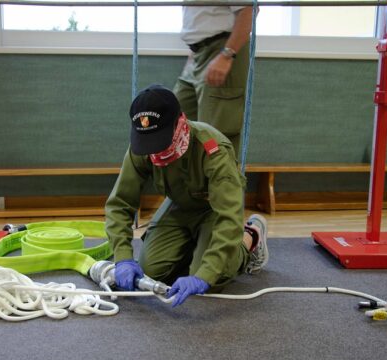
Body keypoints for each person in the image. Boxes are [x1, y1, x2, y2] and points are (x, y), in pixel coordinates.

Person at [105, 84, 269, 307]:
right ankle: (197, 248)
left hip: (213, 210)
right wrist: (123, 257)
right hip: (179, 206)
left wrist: (205, 274)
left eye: (159, 140)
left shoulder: (213, 150)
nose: (155, 150)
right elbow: (119, 203)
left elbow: (229, 218)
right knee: (151, 271)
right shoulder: (143, 144)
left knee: (214, 278)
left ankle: (250, 237)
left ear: (179, 122)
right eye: (149, 142)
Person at [173, 3, 254, 158]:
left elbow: (248, 10)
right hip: (198, 53)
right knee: (177, 122)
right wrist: (194, 53)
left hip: (222, 48)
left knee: (214, 136)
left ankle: (220, 174)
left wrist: (227, 55)